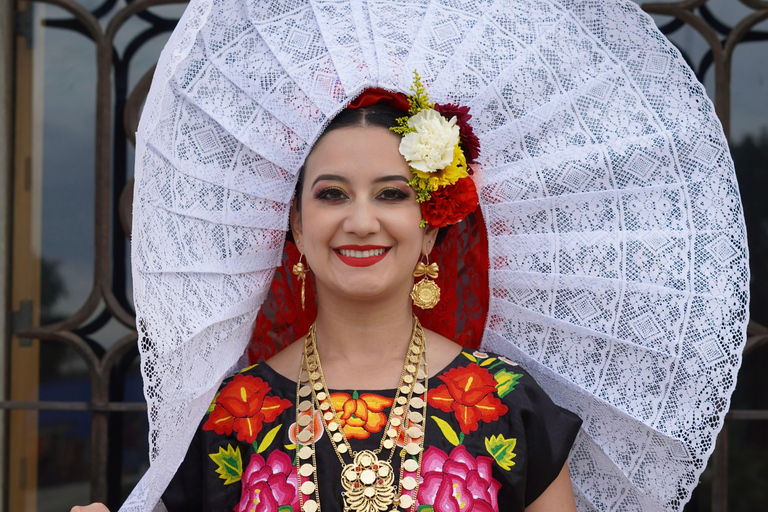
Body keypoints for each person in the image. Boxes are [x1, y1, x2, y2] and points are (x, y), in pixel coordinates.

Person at [75, 86, 582, 512]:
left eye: (392, 194)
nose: (361, 222)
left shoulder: (510, 408)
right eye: (332, 194)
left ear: (430, 229)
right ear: (296, 223)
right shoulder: (228, 419)